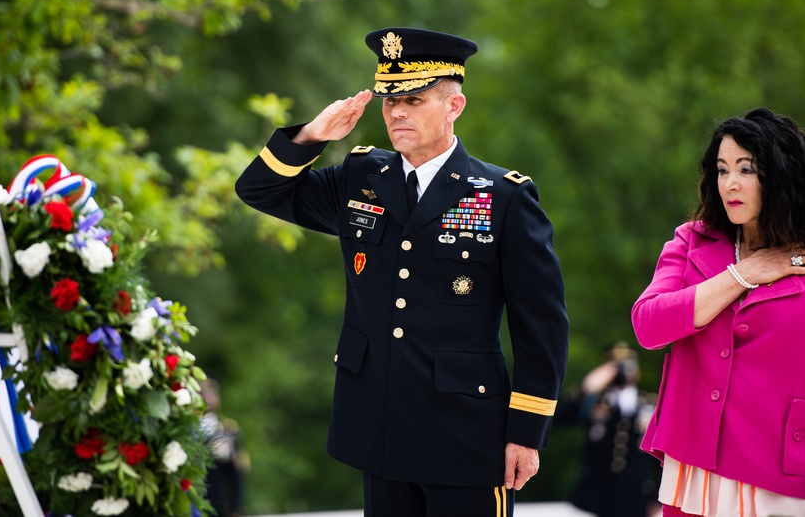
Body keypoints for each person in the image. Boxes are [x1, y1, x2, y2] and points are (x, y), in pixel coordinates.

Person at [235, 27, 569, 517]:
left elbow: (542, 326)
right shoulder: (362, 178)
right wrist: (310, 137)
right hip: (380, 426)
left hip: (467, 433)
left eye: (413, 99)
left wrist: (526, 433)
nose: (396, 113)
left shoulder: (505, 196)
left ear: (453, 106)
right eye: (389, 101)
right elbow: (260, 191)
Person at [631, 107, 805, 517]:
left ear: (781, 176)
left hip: (779, 479)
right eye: (722, 169)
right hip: (691, 473)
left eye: (746, 169)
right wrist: (744, 273)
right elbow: (649, 324)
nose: (730, 183)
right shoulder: (691, 242)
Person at [557, 342, 659, 517]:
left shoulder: (647, 404)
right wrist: (586, 388)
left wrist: (657, 497)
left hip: (636, 494)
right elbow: (560, 417)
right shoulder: (593, 401)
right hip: (597, 493)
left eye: (628, 366)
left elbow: (660, 456)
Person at [200, 378, 248, 517]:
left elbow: (236, 470)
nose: (208, 399)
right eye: (204, 394)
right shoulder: (190, 427)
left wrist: (236, 505)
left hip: (219, 498)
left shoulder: (228, 428)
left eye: (211, 395)